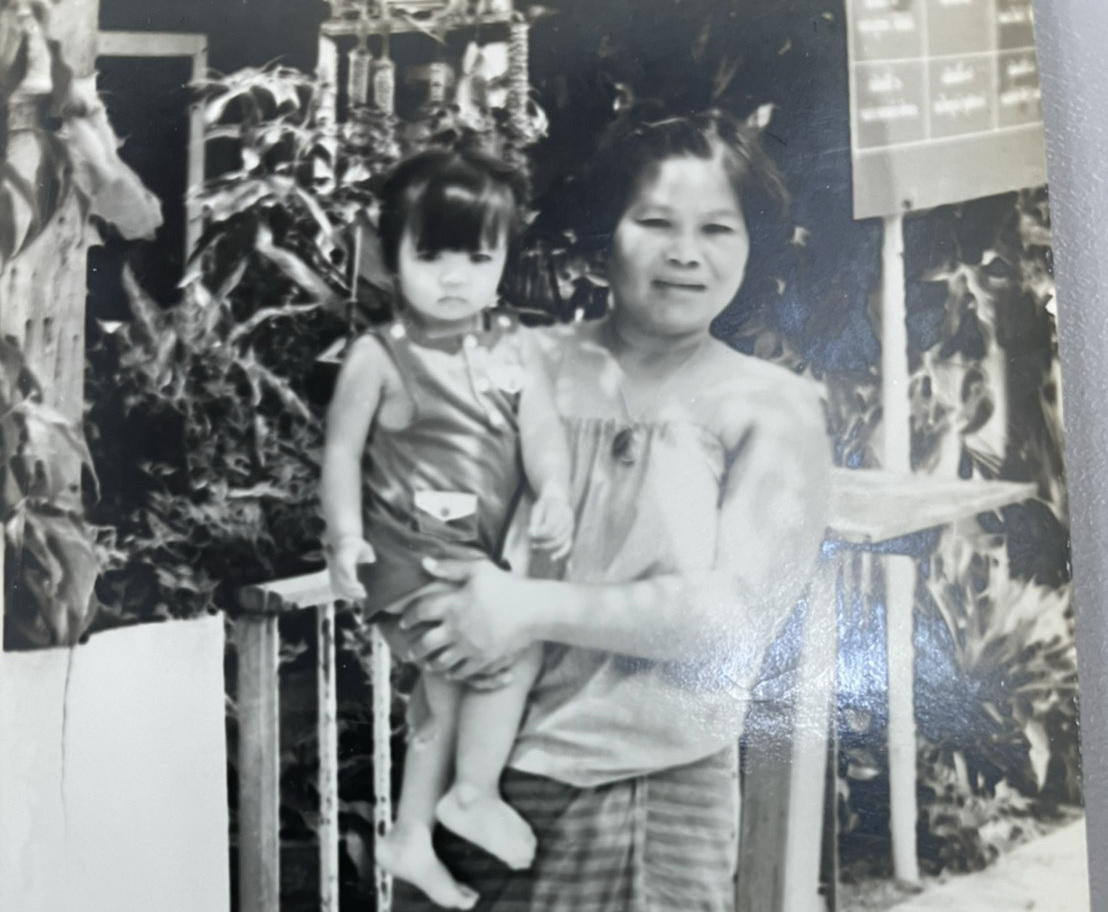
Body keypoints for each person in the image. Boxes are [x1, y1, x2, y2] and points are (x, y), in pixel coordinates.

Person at [392, 107, 832, 911]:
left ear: (751, 244)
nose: (684, 255)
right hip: (469, 774)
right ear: (608, 232)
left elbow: (729, 619)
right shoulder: (522, 362)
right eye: (654, 221)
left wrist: (527, 608)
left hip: (643, 791)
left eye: (717, 230)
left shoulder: (773, 408)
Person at [320, 147, 576, 911]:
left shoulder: (516, 348)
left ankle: (409, 838)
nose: (454, 275)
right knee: (505, 655)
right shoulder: (378, 355)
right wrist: (343, 536)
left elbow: (544, 435)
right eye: (430, 255)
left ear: (503, 262)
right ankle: (471, 792)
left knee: (442, 703)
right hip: (410, 557)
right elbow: (340, 450)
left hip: (478, 558)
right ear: (391, 258)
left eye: (477, 255)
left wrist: (555, 490)